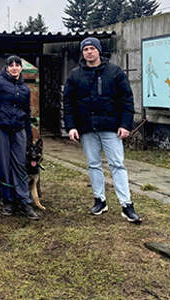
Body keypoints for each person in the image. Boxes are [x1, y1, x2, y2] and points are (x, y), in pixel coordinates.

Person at [63, 37, 141, 223]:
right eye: (85, 49)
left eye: (92, 48)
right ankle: (100, 200)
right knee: (93, 164)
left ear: (99, 51)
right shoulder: (75, 75)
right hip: (87, 128)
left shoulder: (114, 72)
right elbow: (68, 103)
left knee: (117, 164)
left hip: (111, 128)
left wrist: (125, 124)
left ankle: (126, 205)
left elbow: (126, 99)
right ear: (82, 53)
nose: (89, 52)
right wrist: (71, 126)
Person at [0, 55, 39, 220]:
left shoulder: (24, 89)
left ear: (21, 68)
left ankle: (24, 200)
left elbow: (27, 112)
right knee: (3, 164)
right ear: (6, 68)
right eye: (11, 65)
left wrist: (29, 134)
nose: (14, 68)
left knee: (20, 163)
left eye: (17, 65)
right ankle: (8, 200)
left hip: (18, 129)